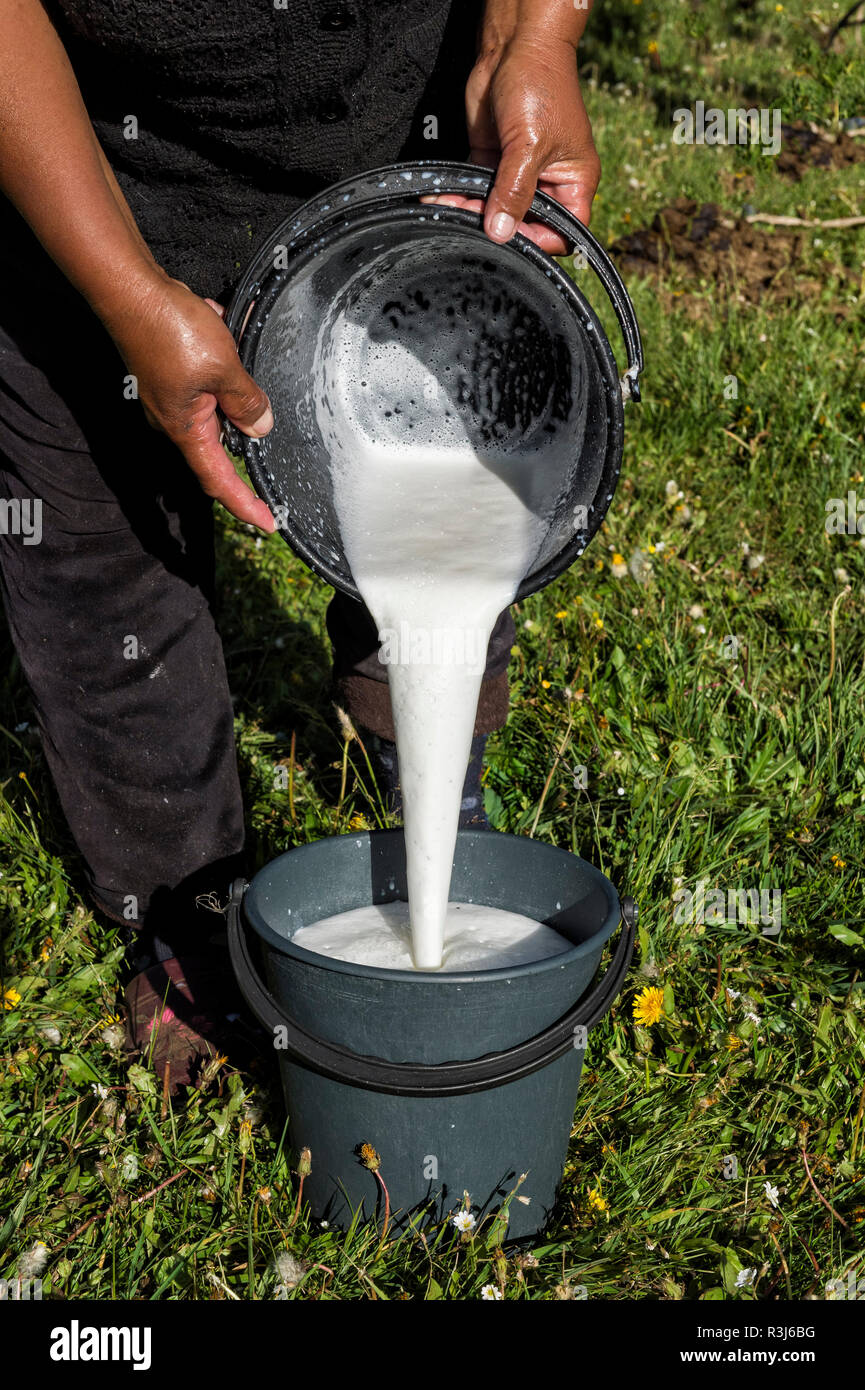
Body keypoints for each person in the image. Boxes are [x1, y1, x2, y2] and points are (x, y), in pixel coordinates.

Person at [0, 0, 600, 1084]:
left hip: (389, 123)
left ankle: (439, 798)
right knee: (101, 554)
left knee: (459, 464)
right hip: (83, 164)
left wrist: (536, 36)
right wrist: (126, 292)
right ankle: (186, 899)